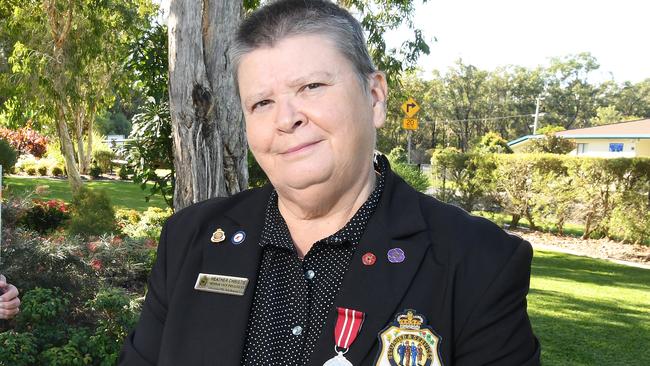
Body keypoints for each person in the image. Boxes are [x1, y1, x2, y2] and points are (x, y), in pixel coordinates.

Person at [119, 1, 541, 365]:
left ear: (374, 97)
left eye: (311, 87)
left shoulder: (477, 261)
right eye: (262, 103)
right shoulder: (190, 240)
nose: (286, 119)